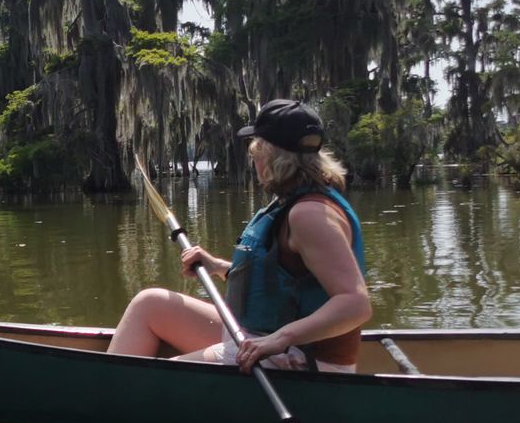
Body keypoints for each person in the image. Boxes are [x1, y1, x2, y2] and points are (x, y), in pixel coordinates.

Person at [108, 99, 371, 374]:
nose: (252, 159)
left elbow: (355, 304)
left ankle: (119, 396)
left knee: (158, 379)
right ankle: (115, 388)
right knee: (151, 304)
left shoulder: (309, 214)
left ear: (269, 154)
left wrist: (280, 339)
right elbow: (282, 280)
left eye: (254, 150)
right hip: (260, 338)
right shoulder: (291, 202)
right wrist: (218, 267)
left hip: (299, 359)